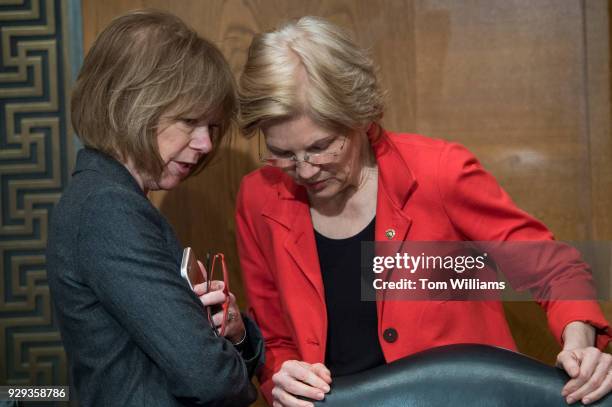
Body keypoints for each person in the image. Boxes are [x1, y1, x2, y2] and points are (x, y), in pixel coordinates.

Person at [235, 16, 612, 407]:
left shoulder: (439, 173)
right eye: (283, 153)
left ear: (360, 115)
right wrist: (282, 375)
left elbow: (555, 268)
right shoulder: (258, 198)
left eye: (321, 146)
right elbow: (274, 337)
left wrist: (579, 340)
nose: (306, 170)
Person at [47, 10, 262, 406]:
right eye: (189, 121)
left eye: (212, 127)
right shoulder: (107, 207)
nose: (206, 144)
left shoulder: (108, 199)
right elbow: (207, 378)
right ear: (131, 106)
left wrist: (233, 333)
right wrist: (233, 367)